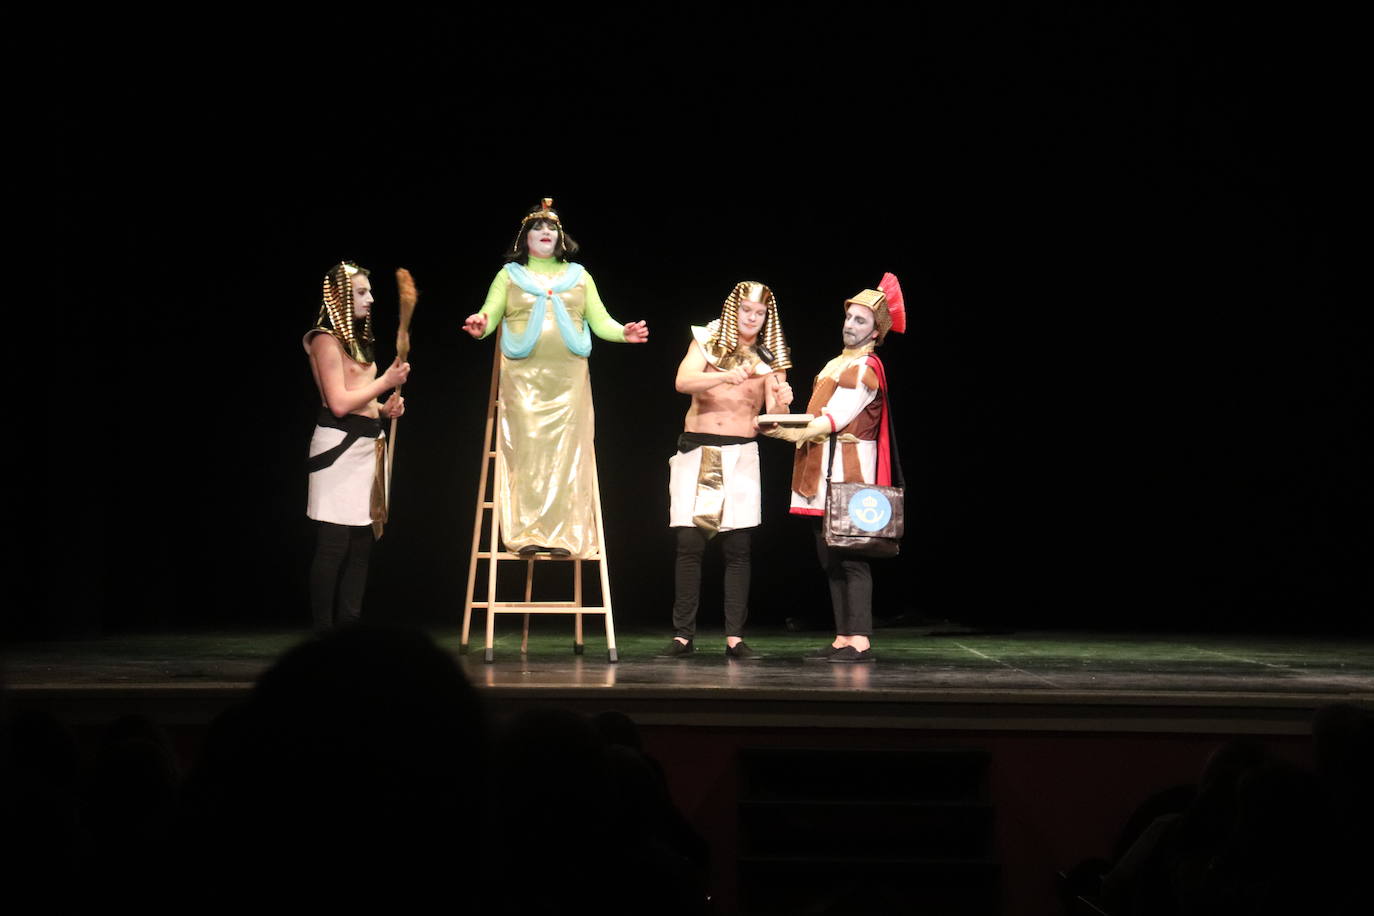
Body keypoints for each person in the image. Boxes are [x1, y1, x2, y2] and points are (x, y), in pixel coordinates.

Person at [463, 198, 648, 558]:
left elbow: (601, 320)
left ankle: (564, 534)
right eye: (537, 227)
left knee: (568, 453)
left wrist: (623, 332)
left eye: (551, 228)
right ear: (524, 238)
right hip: (524, 378)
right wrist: (479, 325)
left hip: (568, 381)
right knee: (528, 452)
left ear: (561, 238)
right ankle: (527, 532)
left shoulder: (579, 276)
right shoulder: (509, 276)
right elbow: (488, 314)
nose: (545, 232)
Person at [761, 273, 905, 662]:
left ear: (876, 331)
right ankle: (844, 637)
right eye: (848, 317)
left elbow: (833, 419)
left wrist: (788, 433)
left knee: (851, 555)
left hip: (848, 471)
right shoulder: (834, 364)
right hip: (823, 469)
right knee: (830, 557)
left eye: (860, 320)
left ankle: (860, 639)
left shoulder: (864, 368)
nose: (849, 325)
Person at [663, 281, 793, 659]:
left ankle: (734, 637)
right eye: (746, 310)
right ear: (734, 309)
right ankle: (683, 635)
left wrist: (782, 401)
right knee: (689, 544)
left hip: (741, 452)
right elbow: (683, 382)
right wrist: (724, 374)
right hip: (697, 447)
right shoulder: (706, 342)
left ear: (766, 317)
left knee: (738, 548)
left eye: (759, 313)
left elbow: (775, 418)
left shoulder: (770, 358)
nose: (752, 318)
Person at [303, 262, 409, 630]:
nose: (371, 298)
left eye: (369, 291)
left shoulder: (359, 340)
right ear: (341, 297)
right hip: (338, 450)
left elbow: (360, 399)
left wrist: (385, 407)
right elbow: (339, 403)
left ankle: (349, 627)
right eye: (362, 292)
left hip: (367, 449)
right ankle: (323, 630)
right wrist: (385, 382)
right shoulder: (324, 339)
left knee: (363, 543)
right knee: (334, 545)